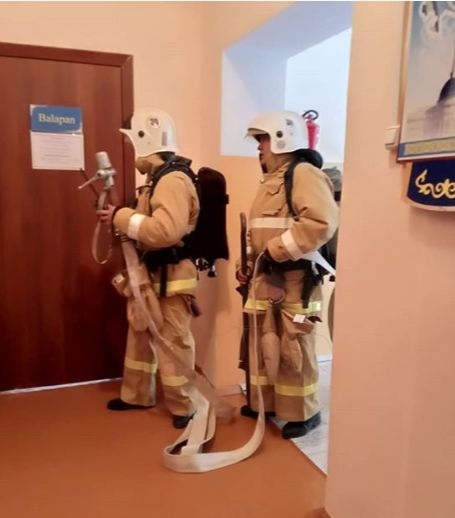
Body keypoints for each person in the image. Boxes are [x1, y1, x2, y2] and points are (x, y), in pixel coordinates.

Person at [237, 110, 339, 439]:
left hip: (296, 280)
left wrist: (275, 251)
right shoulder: (271, 182)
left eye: (263, 140)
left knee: (294, 347)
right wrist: (247, 264)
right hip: (265, 279)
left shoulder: (304, 174)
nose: (259, 147)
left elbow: (320, 222)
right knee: (263, 344)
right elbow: (260, 233)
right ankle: (265, 404)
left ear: (283, 139)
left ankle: (304, 412)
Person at [97, 108, 200, 429]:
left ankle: (184, 406)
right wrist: (118, 218)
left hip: (172, 278)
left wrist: (122, 216)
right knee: (141, 333)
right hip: (151, 273)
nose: (131, 150)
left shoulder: (172, 180)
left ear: (146, 140)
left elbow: (165, 231)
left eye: (132, 142)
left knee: (173, 339)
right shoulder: (156, 180)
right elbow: (146, 226)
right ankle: (137, 395)